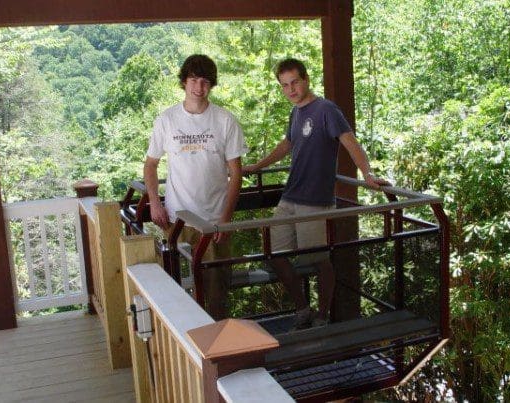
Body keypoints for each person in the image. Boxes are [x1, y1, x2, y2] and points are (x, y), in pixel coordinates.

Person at [243, 58, 390, 329]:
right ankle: (303, 308)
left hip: (315, 200)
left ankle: (322, 316)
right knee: (275, 254)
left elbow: (350, 142)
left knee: (319, 260)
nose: (290, 89)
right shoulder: (296, 113)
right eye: (284, 85)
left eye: (294, 82)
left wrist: (367, 174)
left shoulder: (326, 109)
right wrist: (256, 166)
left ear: (306, 79)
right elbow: (286, 144)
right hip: (290, 196)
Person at [144, 54, 248, 320]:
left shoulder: (225, 120)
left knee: (216, 293)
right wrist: (155, 202)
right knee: (175, 290)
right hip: (177, 221)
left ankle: (216, 351)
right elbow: (151, 164)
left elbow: (235, 173)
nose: (198, 87)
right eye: (193, 80)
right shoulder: (166, 120)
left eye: (204, 81)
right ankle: (183, 345)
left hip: (214, 222)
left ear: (211, 85)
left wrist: (225, 220)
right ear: (183, 82)